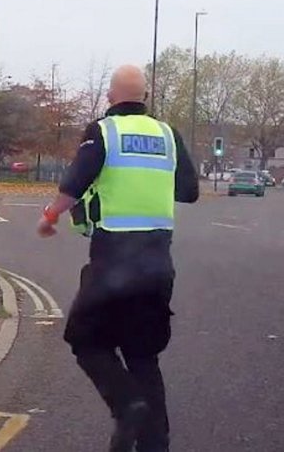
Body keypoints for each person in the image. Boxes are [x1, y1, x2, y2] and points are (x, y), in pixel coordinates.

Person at [36, 64, 198, 452]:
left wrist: (50, 216)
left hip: (113, 264)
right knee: (143, 357)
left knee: (85, 340)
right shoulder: (168, 134)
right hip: (158, 264)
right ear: (145, 98)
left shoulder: (103, 132)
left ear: (111, 97)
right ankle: (155, 444)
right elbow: (189, 191)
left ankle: (127, 405)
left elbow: (75, 183)